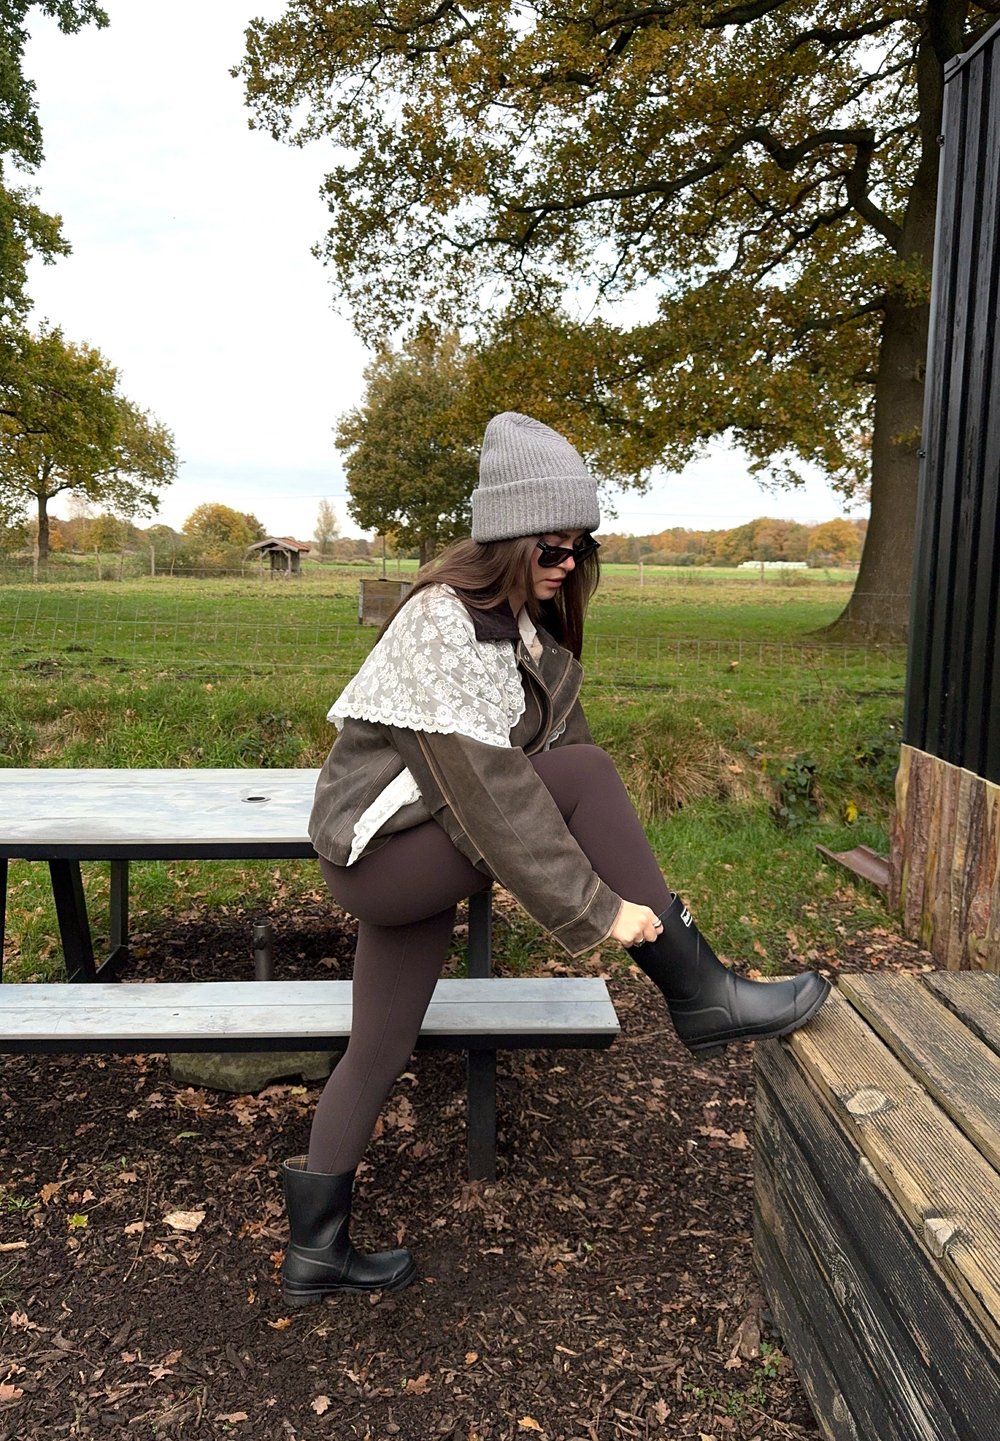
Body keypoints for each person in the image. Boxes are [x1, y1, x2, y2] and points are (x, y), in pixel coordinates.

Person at [280, 411, 830, 1305]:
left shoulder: (528, 635)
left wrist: (618, 881)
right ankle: (698, 988)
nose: (568, 562)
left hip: (422, 847)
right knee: (585, 771)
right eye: (552, 543)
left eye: (579, 546)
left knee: (377, 1044)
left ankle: (316, 1252)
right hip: (382, 855)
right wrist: (604, 911)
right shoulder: (438, 625)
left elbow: (566, 785)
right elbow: (495, 794)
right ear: (505, 534)